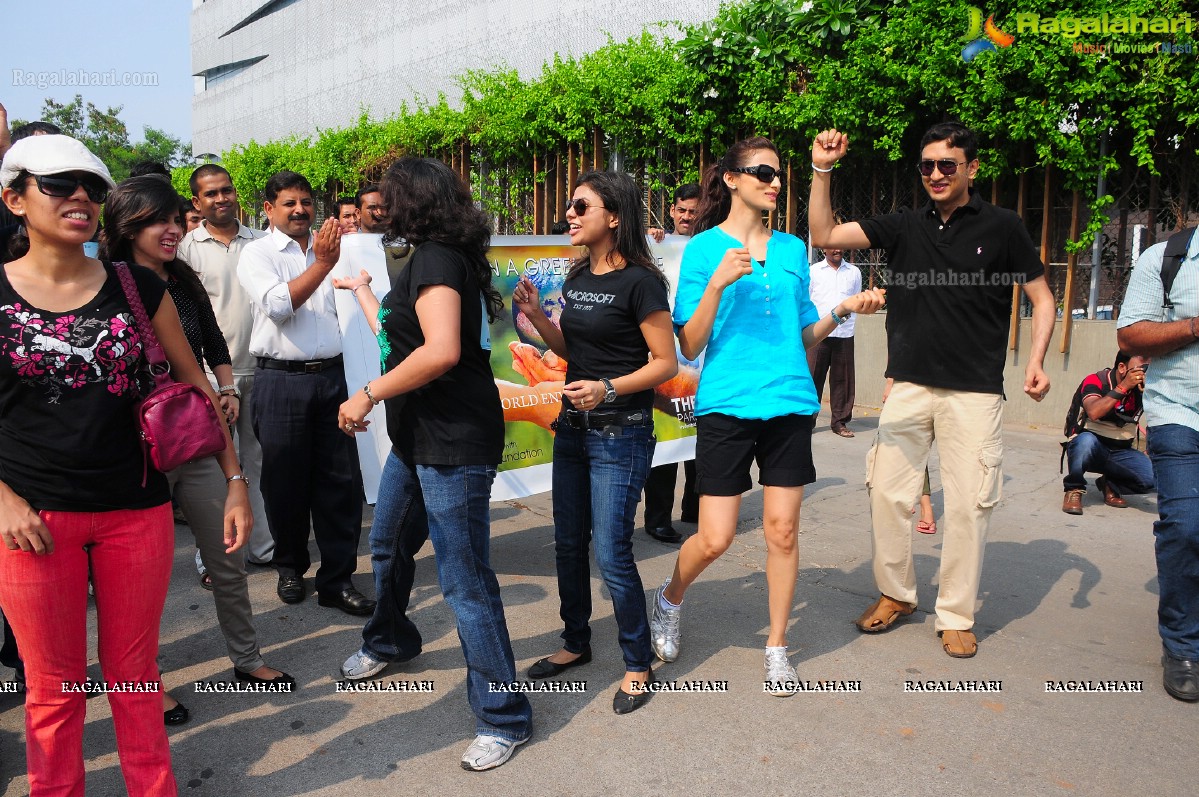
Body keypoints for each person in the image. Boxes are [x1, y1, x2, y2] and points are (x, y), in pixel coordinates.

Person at [0, 133, 251, 795]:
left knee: (135, 677)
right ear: (14, 198)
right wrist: (3, 499)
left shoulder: (133, 284)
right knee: (53, 689)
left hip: (135, 511)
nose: (79, 196)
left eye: (91, 185)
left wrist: (234, 480)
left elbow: (195, 383)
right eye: (58, 184)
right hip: (33, 520)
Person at [810, 122, 1056, 659]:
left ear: (971, 167)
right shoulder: (903, 225)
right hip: (910, 385)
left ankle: (956, 614)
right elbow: (825, 235)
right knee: (887, 493)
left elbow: (1042, 296)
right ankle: (896, 594)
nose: (937, 174)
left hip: (975, 392)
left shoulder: (1004, 225)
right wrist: (822, 169)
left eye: (948, 165)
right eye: (927, 166)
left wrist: (1035, 360)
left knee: (969, 504)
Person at [649, 137, 885, 695]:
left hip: (789, 402)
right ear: (731, 179)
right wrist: (716, 284)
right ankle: (668, 597)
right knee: (715, 537)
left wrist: (843, 310)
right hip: (727, 404)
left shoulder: (790, 249)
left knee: (782, 531)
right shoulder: (704, 250)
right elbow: (688, 342)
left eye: (778, 175)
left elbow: (804, 332)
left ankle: (776, 646)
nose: (774, 182)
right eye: (761, 172)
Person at [333, 157, 533, 769]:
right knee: (389, 543)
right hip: (417, 439)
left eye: (389, 195)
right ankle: (391, 639)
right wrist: (366, 291)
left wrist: (367, 393)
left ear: (413, 199)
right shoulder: (423, 259)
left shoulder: (437, 259)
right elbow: (404, 341)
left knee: (465, 581)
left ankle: (504, 717)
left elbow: (443, 352)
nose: (380, 205)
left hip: (455, 443)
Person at [99, 175, 294, 723]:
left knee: (227, 555)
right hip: (130, 452)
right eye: (156, 220)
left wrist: (231, 460)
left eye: (172, 218)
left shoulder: (180, 279)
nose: (171, 229)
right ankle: (145, 682)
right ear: (125, 225)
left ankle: (248, 658)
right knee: (140, 579)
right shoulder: (102, 287)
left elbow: (204, 354)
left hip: (189, 433)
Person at [514, 170, 677, 713]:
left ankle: (637, 662)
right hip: (573, 431)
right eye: (570, 206)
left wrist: (608, 388)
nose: (570, 214)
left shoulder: (641, 283)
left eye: (581, 206)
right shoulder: (579, 275)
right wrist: (538, 318)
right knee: (566, 544)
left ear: (614, 216)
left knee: (610, 550)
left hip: (621, 434)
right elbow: (571, 350)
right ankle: (575, 642)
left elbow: (665, 364)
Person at [237, 171, 373, 616]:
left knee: (341, 484)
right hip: (280, 381)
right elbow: (277, 306)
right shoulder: (256, 253)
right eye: (289, 203)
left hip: (334, 378)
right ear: (268, 209)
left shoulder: (340, 248)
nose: (300, 210)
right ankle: (290, 566)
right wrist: (322, 265)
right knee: (284, 482)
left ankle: (337, 579)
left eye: (307, 202)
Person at [1116, 227, 1199, 702]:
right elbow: (1129, 336)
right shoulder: (1167, 257)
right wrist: (1193, 325)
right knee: (1186, 526)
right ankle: (1184, 646)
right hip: (1179, 410)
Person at [178, 164, 274, 567]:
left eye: (227, 190)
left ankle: (263, 548)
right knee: (218, 468)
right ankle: (214, 557)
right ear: (198, 202)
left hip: (264, 367)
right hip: (212, 376)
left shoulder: (263, 242)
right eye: (211, 194)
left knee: (259, 462)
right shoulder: (186, 249)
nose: (221, 199)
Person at [643, 183, 701, 544]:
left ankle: (695, 508)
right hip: (664, 356)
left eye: (693, 211)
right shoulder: (654, 244)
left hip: (703, 356)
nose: (687, 217)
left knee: (700, 438)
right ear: (672, 211)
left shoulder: (712, 246)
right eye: (682, 210)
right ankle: (657, 517)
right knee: (665, 438)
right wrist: (649, 239)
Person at [1061, 352, 1155, 515]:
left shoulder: (1145, 387)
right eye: (1139, 369)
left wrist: (1151, 394)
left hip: (1122, 451)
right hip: (1092, 445)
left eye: (1147, 368)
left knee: (1154, 479)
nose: (1143, 373)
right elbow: (1094, 411)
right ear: (1122, 367)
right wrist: (1124, 386)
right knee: (1085, 442)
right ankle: (1074, 488)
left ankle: (1110, 483)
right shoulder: (1096, 380)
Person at [808, 247, 863, 437]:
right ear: (824, 249)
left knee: (843, 380)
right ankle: (807, 421)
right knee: (813, 377)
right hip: (818, 332)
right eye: (832, 246)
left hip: (844, 333)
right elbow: (807, 301)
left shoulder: (854, 272)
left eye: (840, 245)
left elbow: (855, 301)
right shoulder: (814, 271)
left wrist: (848, 325)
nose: (837, 249)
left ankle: (840, 422)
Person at [884, 377, 936, 533]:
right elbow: (895, 351)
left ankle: (916, 498)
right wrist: (890, 381)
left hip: (949, 382)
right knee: (909, 444)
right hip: (909, 379)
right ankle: (922, 504)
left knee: (915, 445)